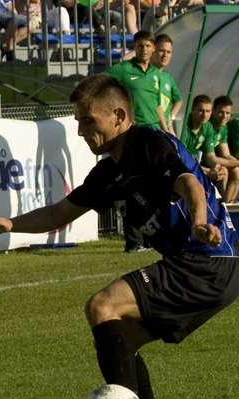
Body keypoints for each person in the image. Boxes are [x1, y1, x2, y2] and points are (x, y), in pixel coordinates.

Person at [0, 74, 239, 399]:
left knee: (102, 306)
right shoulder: (109, 172)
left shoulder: (148, 144)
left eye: (88, 121)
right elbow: (61, 212)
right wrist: (11, 224)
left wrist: (201, 222)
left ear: (118, 115)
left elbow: (189, 182)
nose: (81, 131)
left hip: (205, 262)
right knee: (119, 340)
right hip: (211, 268)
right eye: (79, 122)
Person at [105, 30, 166, 253]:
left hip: (154, 133)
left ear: (153, 48)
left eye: (148, 46)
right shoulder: (123, 69)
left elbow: (157, 104)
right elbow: (103, 83)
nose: (144, 49)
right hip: (132, 133)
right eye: (140, 46)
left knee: (152, 188)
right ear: (135, 47)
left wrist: (166, 129)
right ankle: (133, 241)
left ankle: (151, 238)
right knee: (132, 187)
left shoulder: (155, 74)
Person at [179, 94, 229, 199]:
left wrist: (216, 167)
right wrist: (208, 171)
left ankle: (220, 208)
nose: (204, 115)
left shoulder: (207, 126)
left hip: (195, 163)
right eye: (201, 111)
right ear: (192, 109)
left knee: (221, 173)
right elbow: (182, 159)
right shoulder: (183, 125)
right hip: (180, 165)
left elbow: (210, 156)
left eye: (208, 111)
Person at [210, 95, 239, 203]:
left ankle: (229, 206)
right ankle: (220, 207)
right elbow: (210, 157)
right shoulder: (208, 125)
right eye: (221, 112)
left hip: (214, 159)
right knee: (224, 171)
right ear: (214, 111)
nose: (224, 116)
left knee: (238, 171)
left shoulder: (223, 127)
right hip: (205, 160)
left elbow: (225, 154)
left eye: (228, 113)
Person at [153, 33, 182, 137]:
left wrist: (171, 117)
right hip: (151, 127)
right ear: (153, 50)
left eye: (169, 52)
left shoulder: (168, 77)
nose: (165, 55)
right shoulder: (145, 73)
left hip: (166, 129)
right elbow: (125, 58)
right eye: (161, 51)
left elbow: (178, 99)